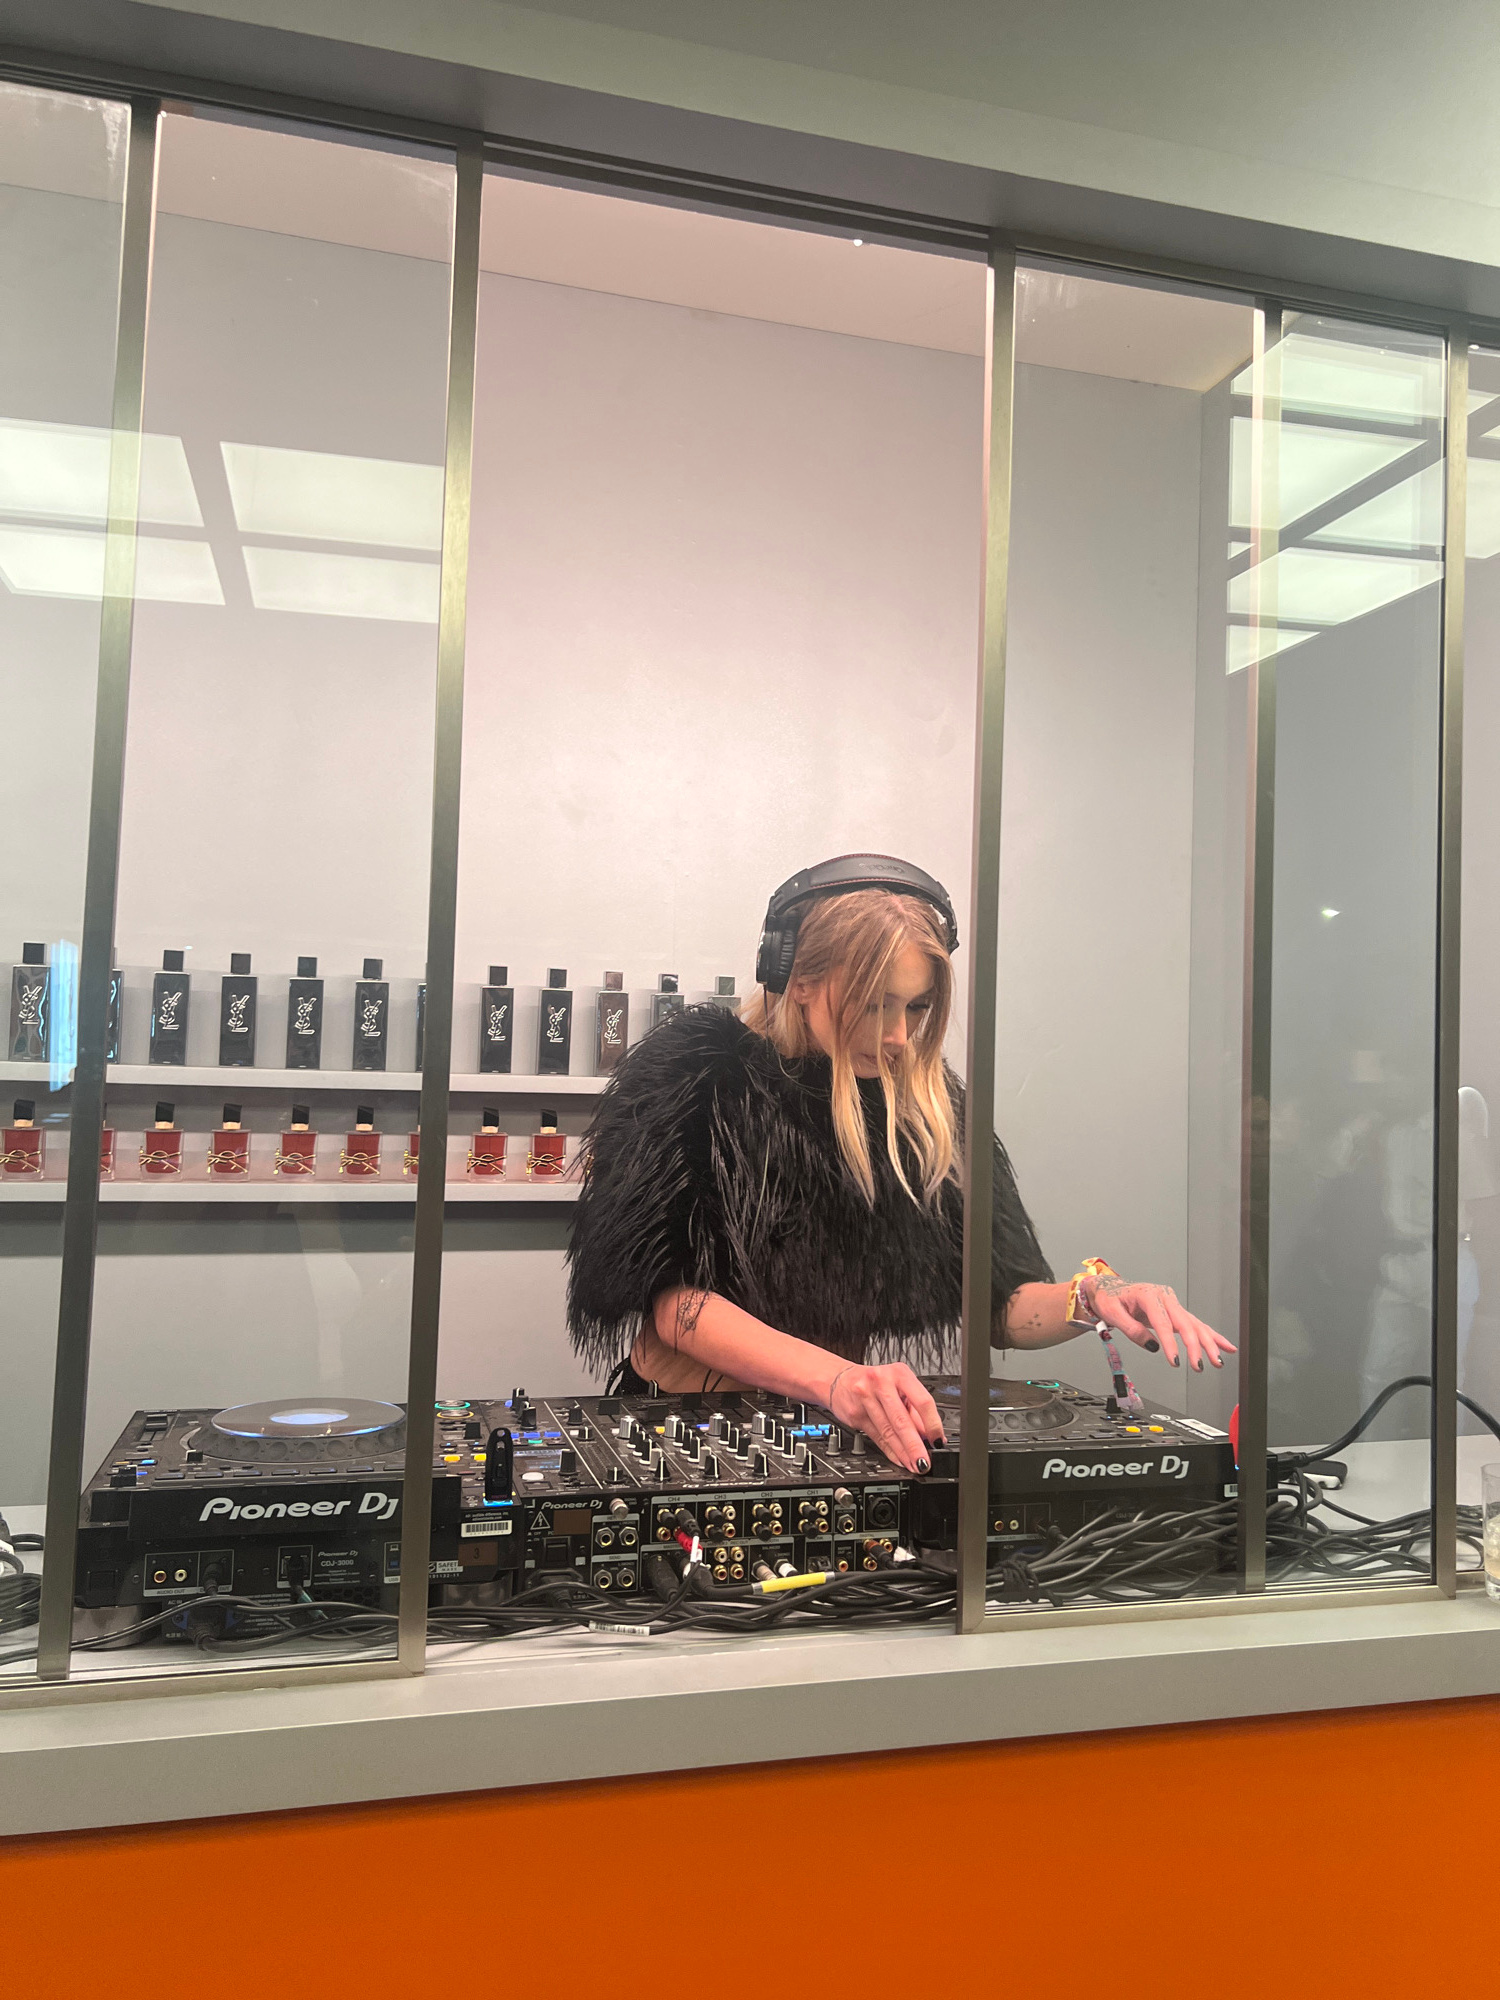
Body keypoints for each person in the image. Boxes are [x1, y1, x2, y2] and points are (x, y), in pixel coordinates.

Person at [566, 855, 1235, 1473]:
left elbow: (1000, 1304)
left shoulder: (930, 1109)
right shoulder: (696, 1077)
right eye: (874, 1004)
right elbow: (676, 1304)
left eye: (916, 1008)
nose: (897, 1035)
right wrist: (837, 1380)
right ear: (798, 979)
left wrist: (1091, 1299)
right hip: (688, 1425)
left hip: (834, 1429)